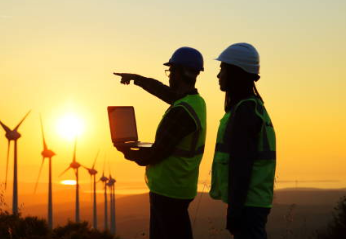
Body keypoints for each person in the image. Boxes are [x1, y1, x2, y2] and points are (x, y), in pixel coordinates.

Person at [113, 47, 207, 239]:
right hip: (180, 188)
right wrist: (136, 79)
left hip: (168, 191)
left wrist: (126, 151)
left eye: (171, 71)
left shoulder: (181, 112)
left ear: (180, 72)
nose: (169, 77)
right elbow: (163, 92)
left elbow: (156, 153)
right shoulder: (195, 102)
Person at [209, 43, 276, 239]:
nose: (218, 75)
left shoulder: (245, 112)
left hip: (248, 204)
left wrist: (235, 210)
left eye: (223, 69)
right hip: (255, 202)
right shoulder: (254, 107)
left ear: (237, 73)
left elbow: (241, 165)